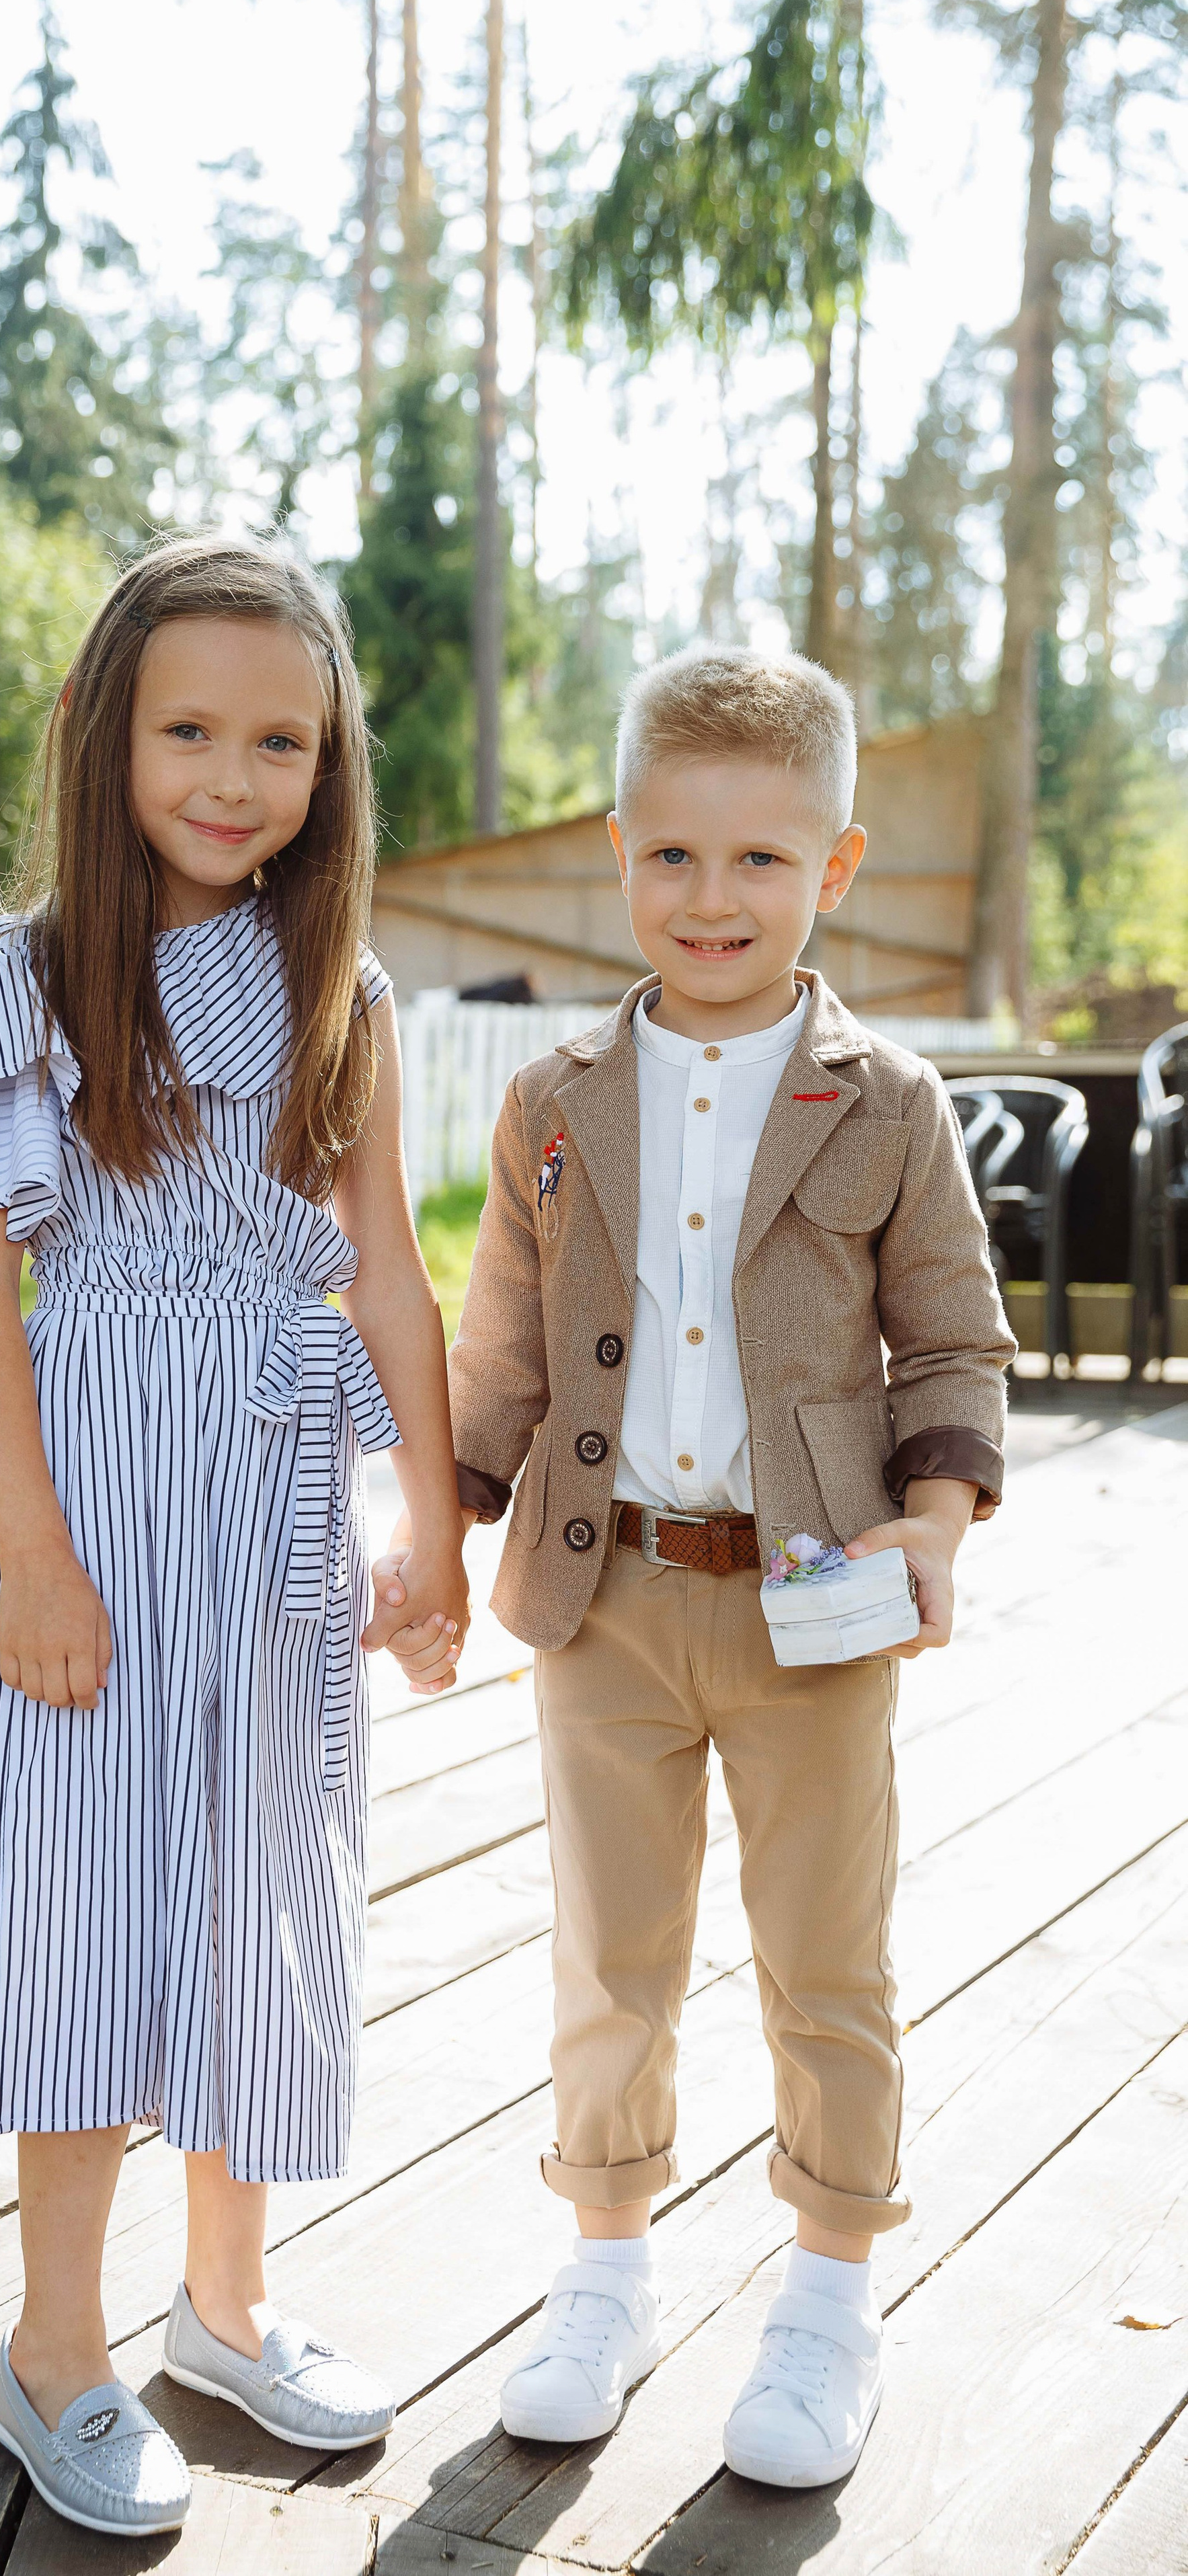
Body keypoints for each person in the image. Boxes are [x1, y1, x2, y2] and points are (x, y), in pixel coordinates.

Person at [0, 534, 469, 2540]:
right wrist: (30, 1552)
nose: (233, 774)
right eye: (188, 728)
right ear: (97, 734)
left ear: (330, 764)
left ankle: (228, 2303)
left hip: (277, 1496)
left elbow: (382, 1267)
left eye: (279, 739)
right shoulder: (14, 985)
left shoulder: (340, 982)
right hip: (98, 1506)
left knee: (263, 1889)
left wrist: (430, 1520)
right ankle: (54, 2350)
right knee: (87, 1903)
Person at [385, 646, 1013, 2489]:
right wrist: (440, 1544)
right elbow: (501, 1350)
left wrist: (939, 1519)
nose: (710, 898)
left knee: (825, 1958)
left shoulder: (887, 1099)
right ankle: (605, 2269)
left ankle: (830, 2301)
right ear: (619, 853)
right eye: (673, 857)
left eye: (758, 861)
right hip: (602, 1600)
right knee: (612, 1954)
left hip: (813, 1606)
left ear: (836, 866)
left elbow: (956, 1347)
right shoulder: (557, 1098)